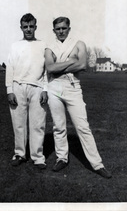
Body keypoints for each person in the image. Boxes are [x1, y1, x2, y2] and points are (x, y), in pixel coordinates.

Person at [45, 16, 112, 178]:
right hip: (54, 88)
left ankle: (97, 164)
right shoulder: (49, 47)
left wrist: (59, 66)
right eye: (58, 29)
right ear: (54, 30)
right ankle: (62, 158)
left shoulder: (79, 44)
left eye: (64, 28)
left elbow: (82, 65)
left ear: (69, 28)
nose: (61, 31)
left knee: (83, 127)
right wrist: (70, 62)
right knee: (58, 126)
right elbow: (49, 67)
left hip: (73, 87)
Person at [6, 13, 48, 169]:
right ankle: (19, 153)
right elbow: (9, 67)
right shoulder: (15, 46)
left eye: (31, 26)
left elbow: (47, 70)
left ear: (36, 27)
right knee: (18, 123)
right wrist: (9, 90)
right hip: (18, 86)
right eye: (25, 27)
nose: (28, 29)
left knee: (38, 124)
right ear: (21, 28)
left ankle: (38, 157)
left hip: (37, 87)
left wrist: (45, 88)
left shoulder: (43, 45)